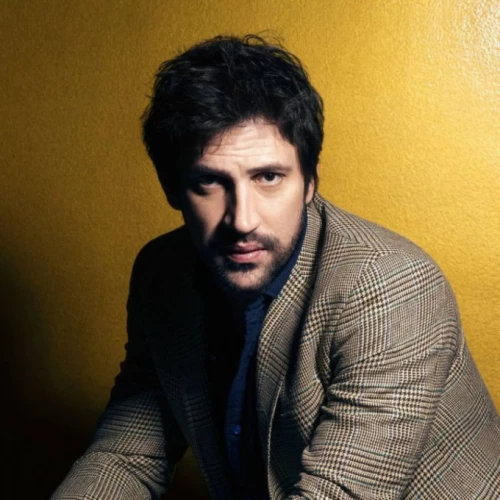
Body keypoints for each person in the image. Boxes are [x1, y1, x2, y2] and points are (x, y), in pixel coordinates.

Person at [52, 34, 500, 499]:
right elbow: (126, 456)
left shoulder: (390, 287)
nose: (242, 220)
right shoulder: (162, 274)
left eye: (268, 177)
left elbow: (338, 493)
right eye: (209, 182)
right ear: (172, 188)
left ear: (309, 182)